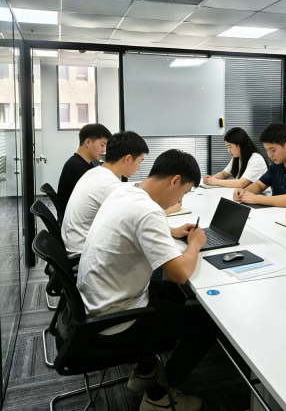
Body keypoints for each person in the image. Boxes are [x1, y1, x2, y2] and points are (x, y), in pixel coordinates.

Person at [77, 149, 217, 411]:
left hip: (96, 303)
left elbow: (135, 225)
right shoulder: (149, 212)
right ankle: (159, 396)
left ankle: (145, 369)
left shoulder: (124, 191)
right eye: (184, 192)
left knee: (173, 293)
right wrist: (195, 244)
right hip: (117, 320)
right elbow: (180, 274)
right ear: (175, 180)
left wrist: (170, 231)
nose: (180, 199)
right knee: (207, 321)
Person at [61, 131, 149, 254]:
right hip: (82, 252)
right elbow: (139, 218)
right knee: (146, 251)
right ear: (128, 159)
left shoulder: (95, 172)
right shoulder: (109, 185)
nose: (138, 168)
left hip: (74, 242)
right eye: (139, 162)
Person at [233, 122, 286, 207]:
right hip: (278, 212)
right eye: (266, 150)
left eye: (273, 150)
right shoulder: (277, 163)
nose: (269, 155)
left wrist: (255, 199)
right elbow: (259, 185)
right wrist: (243, 192)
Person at [57, 123, 112, 211]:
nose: (104, 150)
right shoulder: (77, 168)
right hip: (74, 217)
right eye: (102, 145)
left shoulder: (82, 163)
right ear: (88, 142)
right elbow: (98, 195)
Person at [202, 127, 267, 188]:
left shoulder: (256, 159)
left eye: (230, 147)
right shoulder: (238, 157)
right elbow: (224, 174)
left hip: (259, 195)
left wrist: (215, 181)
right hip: (243, 193)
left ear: (239, 145)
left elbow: (241, 183)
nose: (228, 150)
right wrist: (210, 179)